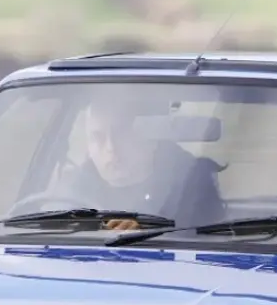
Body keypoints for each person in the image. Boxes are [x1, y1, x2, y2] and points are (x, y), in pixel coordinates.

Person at [41, 97, 226, 230]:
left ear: (152, 138)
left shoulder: (190, 185)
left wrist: (146, 232)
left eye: (122, 134)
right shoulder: (73, 190)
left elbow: (200, 245)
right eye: (98, 137)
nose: (111, 148)